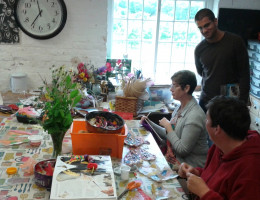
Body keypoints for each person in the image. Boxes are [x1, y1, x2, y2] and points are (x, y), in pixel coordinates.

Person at [178, 96, 260, 200]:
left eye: (207, 119)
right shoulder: (220, 146)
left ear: (217, 129)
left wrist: (204, 192)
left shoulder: (251, 169)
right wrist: (197, 173)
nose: (205, 122)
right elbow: (216, 178)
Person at [141, 70, 209, 168]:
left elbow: (182, 150)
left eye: (175, 86)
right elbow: (170, 135)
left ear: (186, 88)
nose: (171, 89)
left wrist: (169, 127)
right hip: (176, 160)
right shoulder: (179, 108)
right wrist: (149, 123)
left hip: (190, 167)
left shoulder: (195, 116)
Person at [194, 8, 250, 112]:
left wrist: (242, 103)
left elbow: (244, 75)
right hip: (207, 101)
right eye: (200, 28)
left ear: (215, 21)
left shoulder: (235, 42)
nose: (204, 31)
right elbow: (201, 72)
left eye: (207, 25)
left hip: (230, 103)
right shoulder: (199, 49)